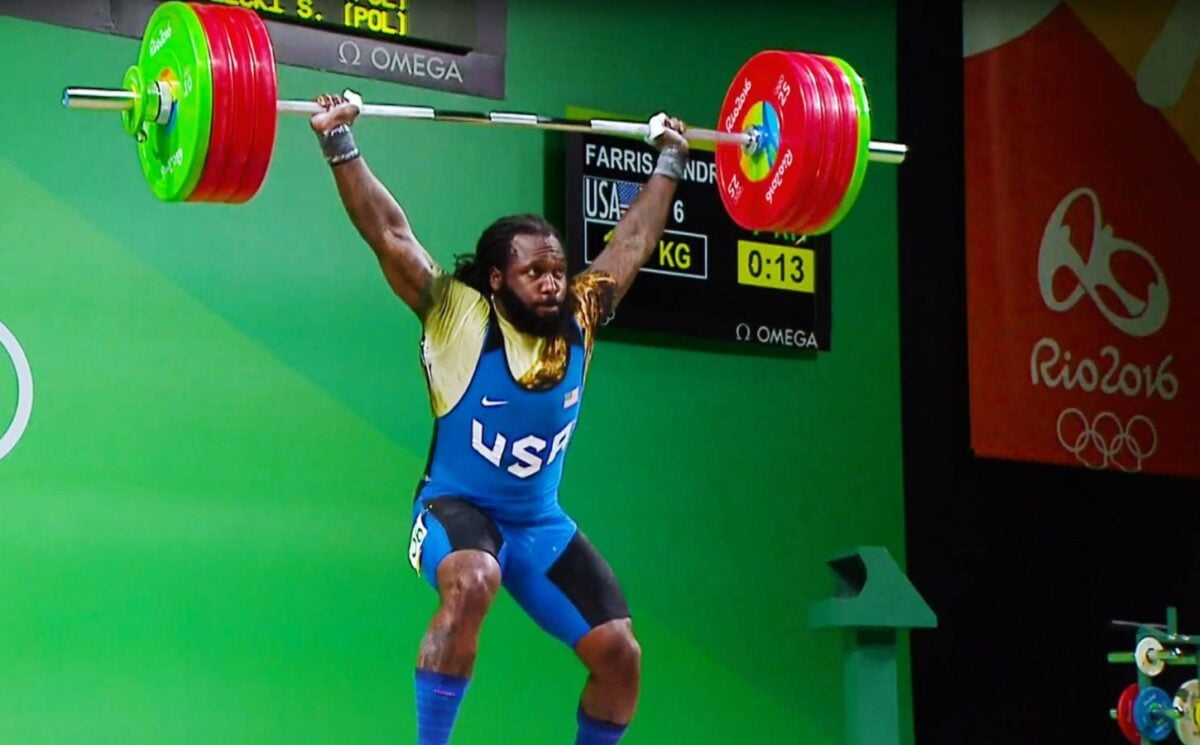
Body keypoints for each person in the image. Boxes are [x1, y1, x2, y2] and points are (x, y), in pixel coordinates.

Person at [309, 92, 689, 745]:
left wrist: (672, 159)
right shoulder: (457, 316)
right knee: (474, 578)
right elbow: (389, 232)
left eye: (556, 269)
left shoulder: (581, 317)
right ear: (494, 278)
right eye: (533, 271)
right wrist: (339, 141)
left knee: (622, 656)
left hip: (538, 523)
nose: (551, 282)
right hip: (452, 510)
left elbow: (630, 242)